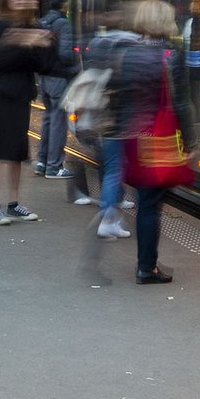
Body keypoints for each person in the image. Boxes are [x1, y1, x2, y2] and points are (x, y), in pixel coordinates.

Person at [108, 0, 192, 283]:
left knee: (143, 199)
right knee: (151, 204)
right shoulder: (171, 54)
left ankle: (147, 263)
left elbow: (117, 95)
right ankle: (147, 267)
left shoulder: (124, 52)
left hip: (132, 135)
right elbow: (180, 104)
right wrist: (191, 142)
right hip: (158, 137)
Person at [0, 0, 57, 224]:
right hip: (4, 94)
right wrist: (24, 42)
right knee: (0, 151)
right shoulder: (2, 25)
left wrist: (45, 43)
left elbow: (43, 65)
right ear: (7, 0)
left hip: (23, 94)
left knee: (17, 152)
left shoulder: (31, 25)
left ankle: (13, 204)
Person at [86, 12, 140, 238]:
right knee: (121, 167)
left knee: (111, 167)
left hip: (105, 114)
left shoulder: (98, 44)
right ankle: (109, 217)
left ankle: (110, 213)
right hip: (125, 116)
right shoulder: (132, 44)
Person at [34, 0, 76, 180]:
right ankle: (54, 166)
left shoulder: (41, 22)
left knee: (48, 119)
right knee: (59, 122)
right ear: (63, 5)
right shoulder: (63, 24)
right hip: (59, 77)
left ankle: (42, 161)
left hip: (43, 77)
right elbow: (66, 55)